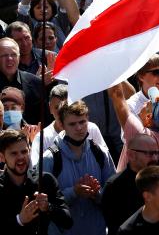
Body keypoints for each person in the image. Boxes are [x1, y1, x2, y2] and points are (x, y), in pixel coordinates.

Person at [42, 100, 116, 235]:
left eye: (82, 122)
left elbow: (114, 197)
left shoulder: (100, 153)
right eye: (72, 124)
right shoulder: (50, 159)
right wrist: (74, 192)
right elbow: (45, 205)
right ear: (61, 125)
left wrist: (97, 194)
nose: (79, 128)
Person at [0, 129, 73, 234]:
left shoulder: (45, 181)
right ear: (2, 157)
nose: (21, 157)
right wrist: (20, 220)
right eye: (14, 153)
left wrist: (48, 207)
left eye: (24, 151)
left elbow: (67, 221)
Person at [30, 84, 110, 167]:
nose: (61, 113)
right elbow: (36, 170)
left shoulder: (92, 129)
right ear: (50, 107)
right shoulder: (42, 138)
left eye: (67, 107)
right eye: (57, 107)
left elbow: (106, 160)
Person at [108, 82, 159, 172]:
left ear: (148, 117)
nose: (146, 102)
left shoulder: (138, 133)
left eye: (149, 103)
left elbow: (116, 94)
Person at [102, 134, 159, 235]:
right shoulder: (115, 186)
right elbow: (115, 227)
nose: (155, 158)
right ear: (131, 155)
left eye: (157, 153)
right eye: (149, 154)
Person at [0, 37, 45, 125]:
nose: (10, 59)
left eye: (13, 55)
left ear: (19, 57)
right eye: (4, 55)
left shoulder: (36, 83)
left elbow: (44, 120)